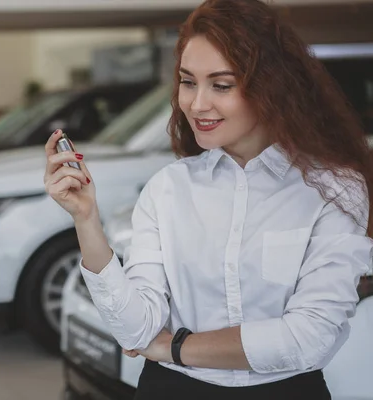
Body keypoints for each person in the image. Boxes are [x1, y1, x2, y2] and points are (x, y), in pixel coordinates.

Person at [44, 0, 373, 398]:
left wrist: (173, 346)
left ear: (272, 86)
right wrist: (86, 219)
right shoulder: (167, 188)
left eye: (221, 85)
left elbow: (309, 337)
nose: (197, 104)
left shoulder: (334, 189)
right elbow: (136, 329)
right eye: (188, 81)